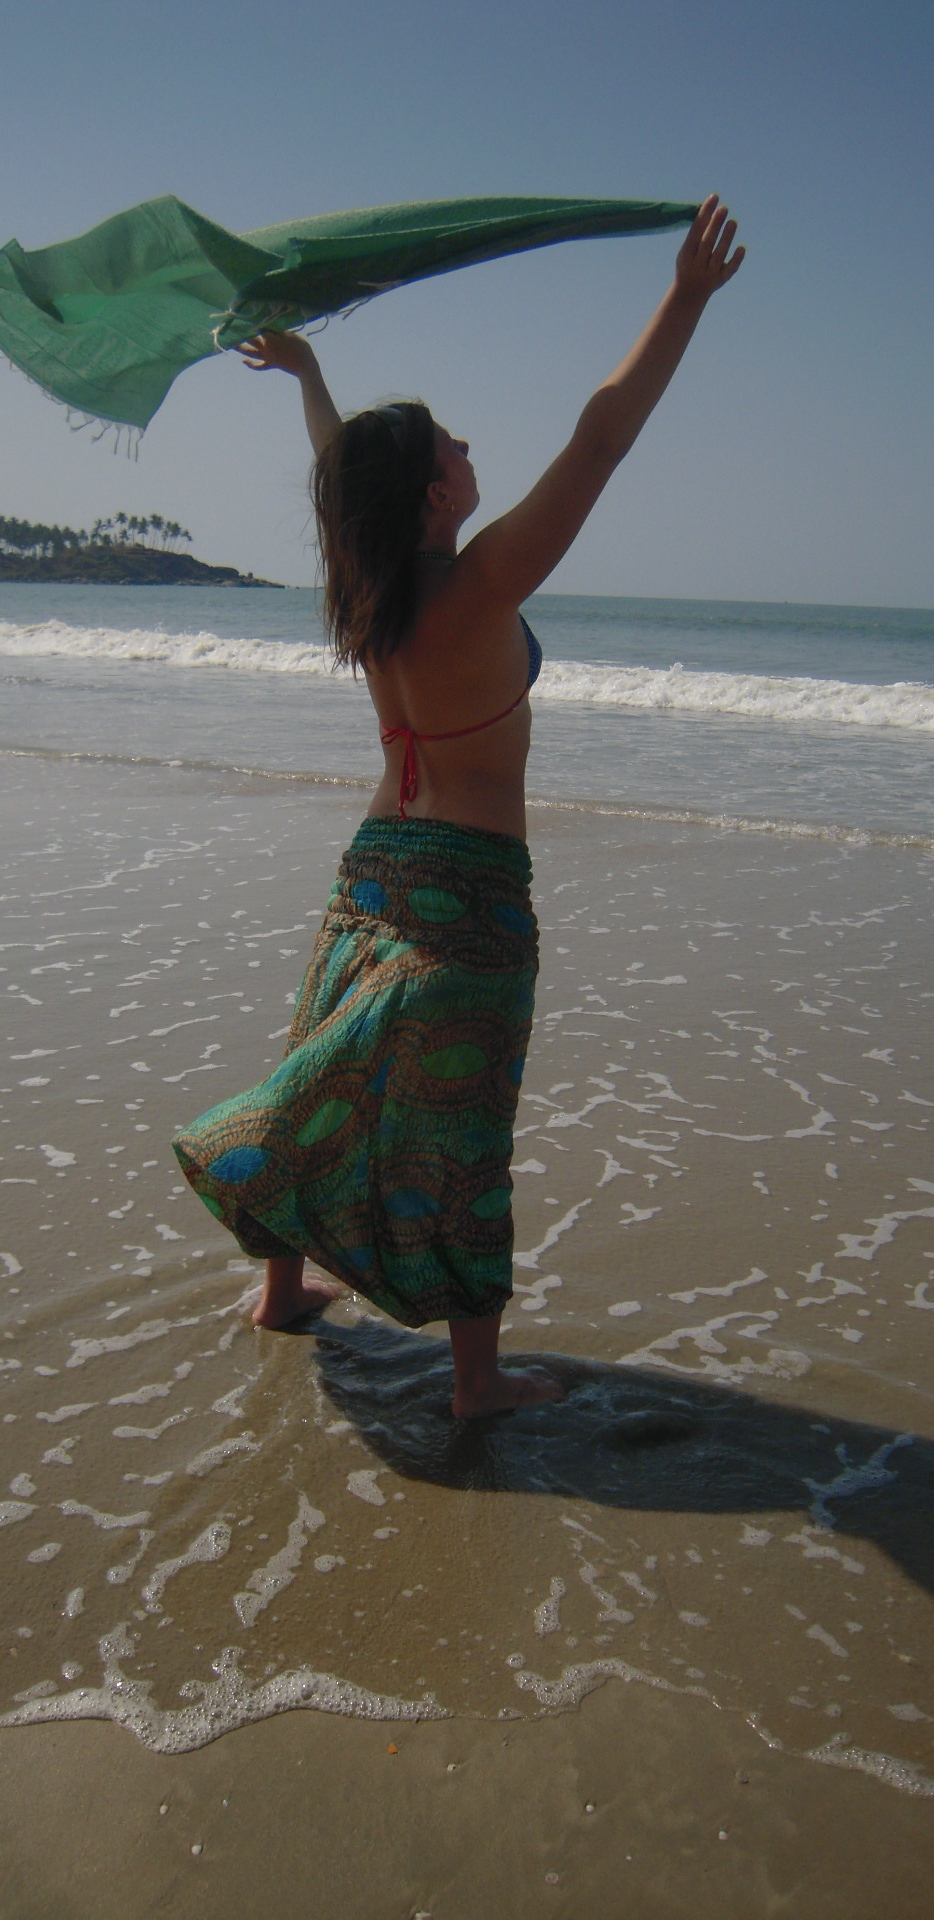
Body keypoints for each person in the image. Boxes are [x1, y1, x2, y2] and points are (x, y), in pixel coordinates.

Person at [172, 195, 744, 1416]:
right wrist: (684, 299)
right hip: (472, 889)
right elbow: (601, 439)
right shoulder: (478, 588)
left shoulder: (367, 584)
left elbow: (344, 480)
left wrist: (312, 379)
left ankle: (280, 1293)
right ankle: (477, 1384)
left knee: (321, 1074)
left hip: (375, 866)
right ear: (435, 496)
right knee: (463, 1126)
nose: (470, 448)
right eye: (453, 446)